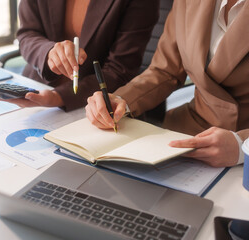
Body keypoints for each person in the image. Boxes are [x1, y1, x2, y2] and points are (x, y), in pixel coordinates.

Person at [85, 0, 249, 167]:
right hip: (183, 136)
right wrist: (121, 100)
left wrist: (241, 145)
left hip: (242, 154)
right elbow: (165, 71)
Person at [0, 0, 159, 111]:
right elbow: (27, 33)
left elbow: (119, 69)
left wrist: (59, 97)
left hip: (92, 103)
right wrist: (48, 53)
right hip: (35, 89)